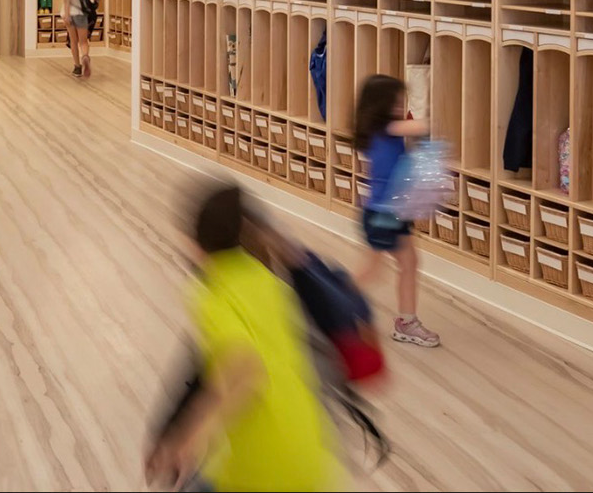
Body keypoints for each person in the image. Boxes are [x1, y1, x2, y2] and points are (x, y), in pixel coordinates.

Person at [145, 183, 347, 493]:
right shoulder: (266, 277)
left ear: (196, 242)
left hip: (262, 465)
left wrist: (190, 437)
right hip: (310, 449)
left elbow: (244, 369)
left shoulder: (212, 295)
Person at [351, 74, 440, 349]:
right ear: (381, 105)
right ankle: (333, 306)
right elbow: (422, 126)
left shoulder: (378, 130)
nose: (402, 107)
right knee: (373, 271)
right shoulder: (387, 128)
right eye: (397, 102)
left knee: (409, 264)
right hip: (383, 215)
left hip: (393, 211)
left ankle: (407, 322)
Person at [66, 0, 99, 79]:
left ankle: (77, 67)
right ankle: (85, 56)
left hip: (71, 13)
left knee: (73, 41)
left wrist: (67, 15)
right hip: (82, 14)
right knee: (83, 42)